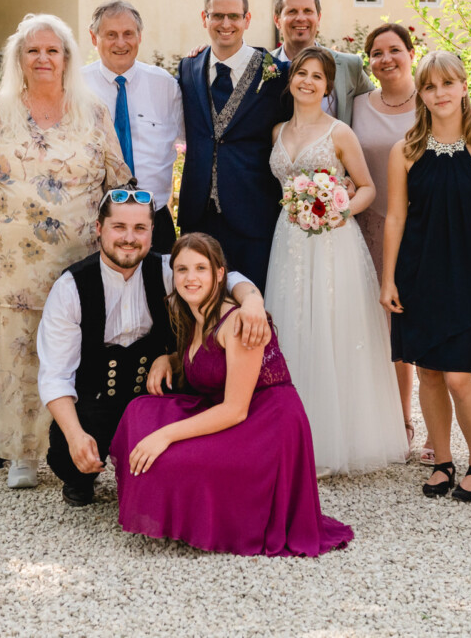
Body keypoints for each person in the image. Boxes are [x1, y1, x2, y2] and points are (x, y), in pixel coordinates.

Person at [0, 14, 131, 490]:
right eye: (33, 51)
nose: (43, 58)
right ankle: (21, 453)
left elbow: (120, 180)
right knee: (14, 353)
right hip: (8, 262)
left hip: (78, 261)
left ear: (67, 59)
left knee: (73, 352)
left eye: (52, 50)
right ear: (19, 60)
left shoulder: (92, 112)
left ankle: (71, 446)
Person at [109, 233, 353, 557]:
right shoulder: (191, 314)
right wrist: (167, 358)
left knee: (167, 454)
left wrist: (164, 436)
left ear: (219, 274)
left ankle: (199, 516)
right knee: (139, 411)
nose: (190, 278)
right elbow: (207, 364)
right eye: (182, 270)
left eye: (200, 268)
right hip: (226, 408)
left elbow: (235, 409)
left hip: (266, 426)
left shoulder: (238, 320)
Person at [37, 185, 268, 506]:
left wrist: (252, 301)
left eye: (140, 229)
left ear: (151, 232)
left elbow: (226, 277)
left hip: (159, 399)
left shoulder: (166, 270)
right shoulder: (70, 288)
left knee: (175, 474)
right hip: (98, 402)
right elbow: (55, 376)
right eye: (119, 227)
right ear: (99, 229)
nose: (129, 238)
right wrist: (76, 437)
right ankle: (81, 474)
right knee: (66, 456)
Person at [264, 47, 407, 475]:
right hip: (288, 240)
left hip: (331, 243)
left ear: (328, 87)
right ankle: (293, 438)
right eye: (301, 74)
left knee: (332, 330)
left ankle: (337, 441)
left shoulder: (339, 132)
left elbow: (367, 188)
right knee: (292, 327)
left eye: (317, 77)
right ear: (291, 80)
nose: (307, 81)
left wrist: (335, 206)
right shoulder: (277, 132)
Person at [382, 51, 471, 502]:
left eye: (448, 84)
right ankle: (442, 461)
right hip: (417, 275)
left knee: (459, 376)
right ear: (422, 94)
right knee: (428, 373)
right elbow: (395, 218)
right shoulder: (406, 151)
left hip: (468, 278)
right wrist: (388, 279)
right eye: (431, 86)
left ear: (464, 87)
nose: (440, 94)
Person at [176, 0, 290, 291]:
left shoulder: (277, 73)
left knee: (252, 306)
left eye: (234, 17)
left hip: (253, 213)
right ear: (205, 18)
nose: (226, 24)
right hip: (197, 214)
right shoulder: (187, 68)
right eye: (217, 16)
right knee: (200, 307)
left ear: (247, 20)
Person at [353, 23, 423, 460]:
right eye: (376, 53)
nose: (386, 59)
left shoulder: (434, 99)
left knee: (412, 326)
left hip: (421, 226)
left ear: (411, 53)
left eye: (394, 50)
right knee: (374, 325)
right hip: (368, 226)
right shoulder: (358, 105)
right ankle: (382, 420)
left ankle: (411, 421)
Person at [82, 0, 184, 253]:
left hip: (154, 220)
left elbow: (195, 138)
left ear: (140, 37)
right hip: (92, 222)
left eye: (128, 34)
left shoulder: (166, 86)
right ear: (94, 38)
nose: (121, 42)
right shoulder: (74, 86)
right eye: (111, 35)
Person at [271, 0, 373, 122]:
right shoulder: (262, 67)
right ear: (277, 20)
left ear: (318, 18)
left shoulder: (349, 66)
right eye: (292, 11)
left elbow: (379, 102)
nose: (301, 18)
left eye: (308, 11)